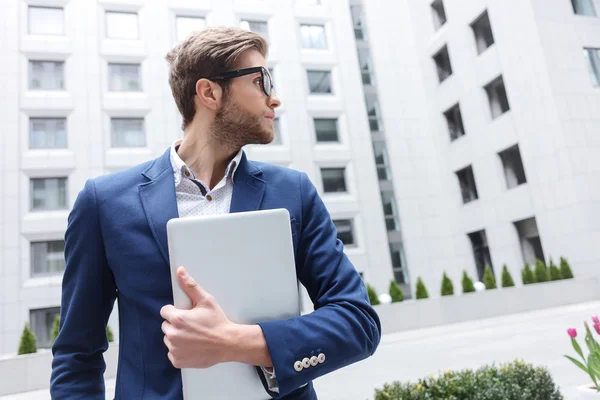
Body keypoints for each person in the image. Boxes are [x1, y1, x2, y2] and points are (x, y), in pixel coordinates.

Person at [50, 26, 381, 399]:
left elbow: (358, 322)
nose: (275, 99)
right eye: (261, 81)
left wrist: (238, 342)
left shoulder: (294, 192)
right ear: (209, 92)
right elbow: (77, 354)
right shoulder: (104, 203)